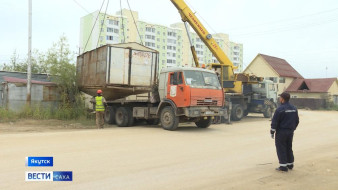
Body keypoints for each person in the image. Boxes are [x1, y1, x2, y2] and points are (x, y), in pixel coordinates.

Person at [270, 92, 299, 172]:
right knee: (288, 147)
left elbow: (275, 121)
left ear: (282, 99)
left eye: (280, 97)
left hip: (281, 132)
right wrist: (292, 129)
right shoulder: (294, 108)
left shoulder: (280, 109)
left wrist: (272, 131)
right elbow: (296, 121)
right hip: (290, 131)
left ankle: (283, 166)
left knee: (281, 148)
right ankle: (290, 164)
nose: (279, 99)